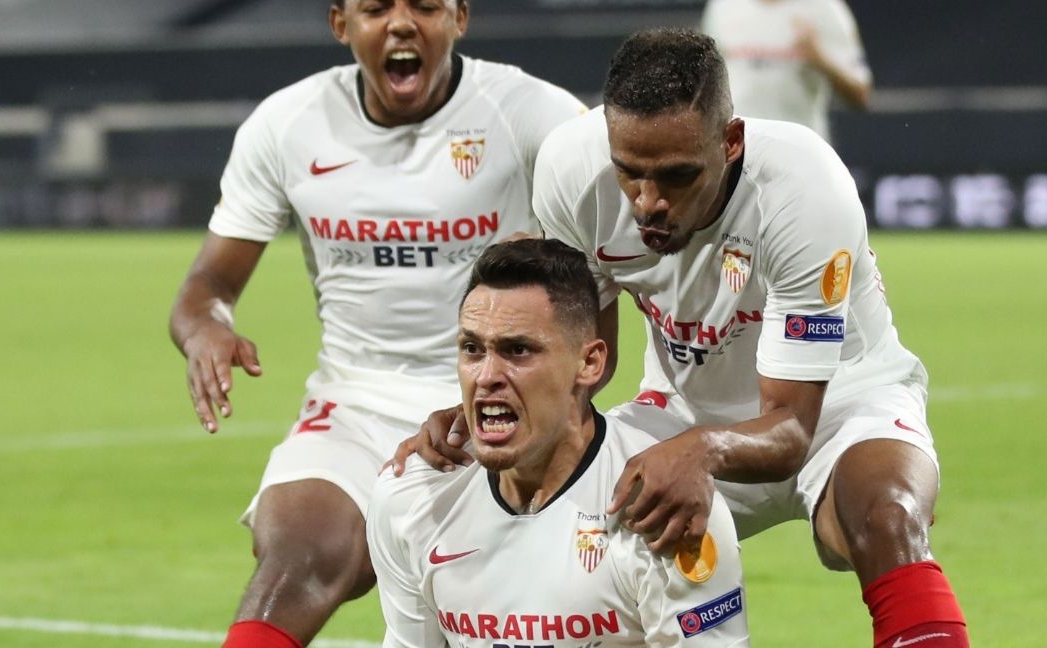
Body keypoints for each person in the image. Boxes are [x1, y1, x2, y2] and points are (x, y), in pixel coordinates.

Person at [396, 28, 968, 648]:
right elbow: (581, 362)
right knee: (582, 525)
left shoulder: (802, 190)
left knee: (884, 519)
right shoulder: (571, 172)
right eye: (630, 173)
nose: (649, 203)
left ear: (730, 141)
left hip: (836, 404)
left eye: (676, 176)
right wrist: (492, 414)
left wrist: (704, 449)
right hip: (677, 411)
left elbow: (793, 431)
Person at [167, 1, 586, 646]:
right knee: (303, 548)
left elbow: (601, 282)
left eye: (425, 5)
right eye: (375, 7)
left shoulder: (535, 115)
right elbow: (208, 287)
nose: (401, 23)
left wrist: (564, 415)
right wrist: (206, 330)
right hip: (354, 402)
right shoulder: (287, 124)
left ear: (460, 16)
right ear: (341, 24)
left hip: (498, 399)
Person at [369, 238, 749, 647]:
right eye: (472, 349)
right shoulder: (414, 497)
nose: (487, 376)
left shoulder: (661, 505)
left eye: (518, 350)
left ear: (590, 363)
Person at [701, 0, 872, 143]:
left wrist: (819, 59)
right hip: (738, 149)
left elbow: (860, 94)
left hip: (801, 149)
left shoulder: (825, 8)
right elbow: (705, 80)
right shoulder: (723, 6)